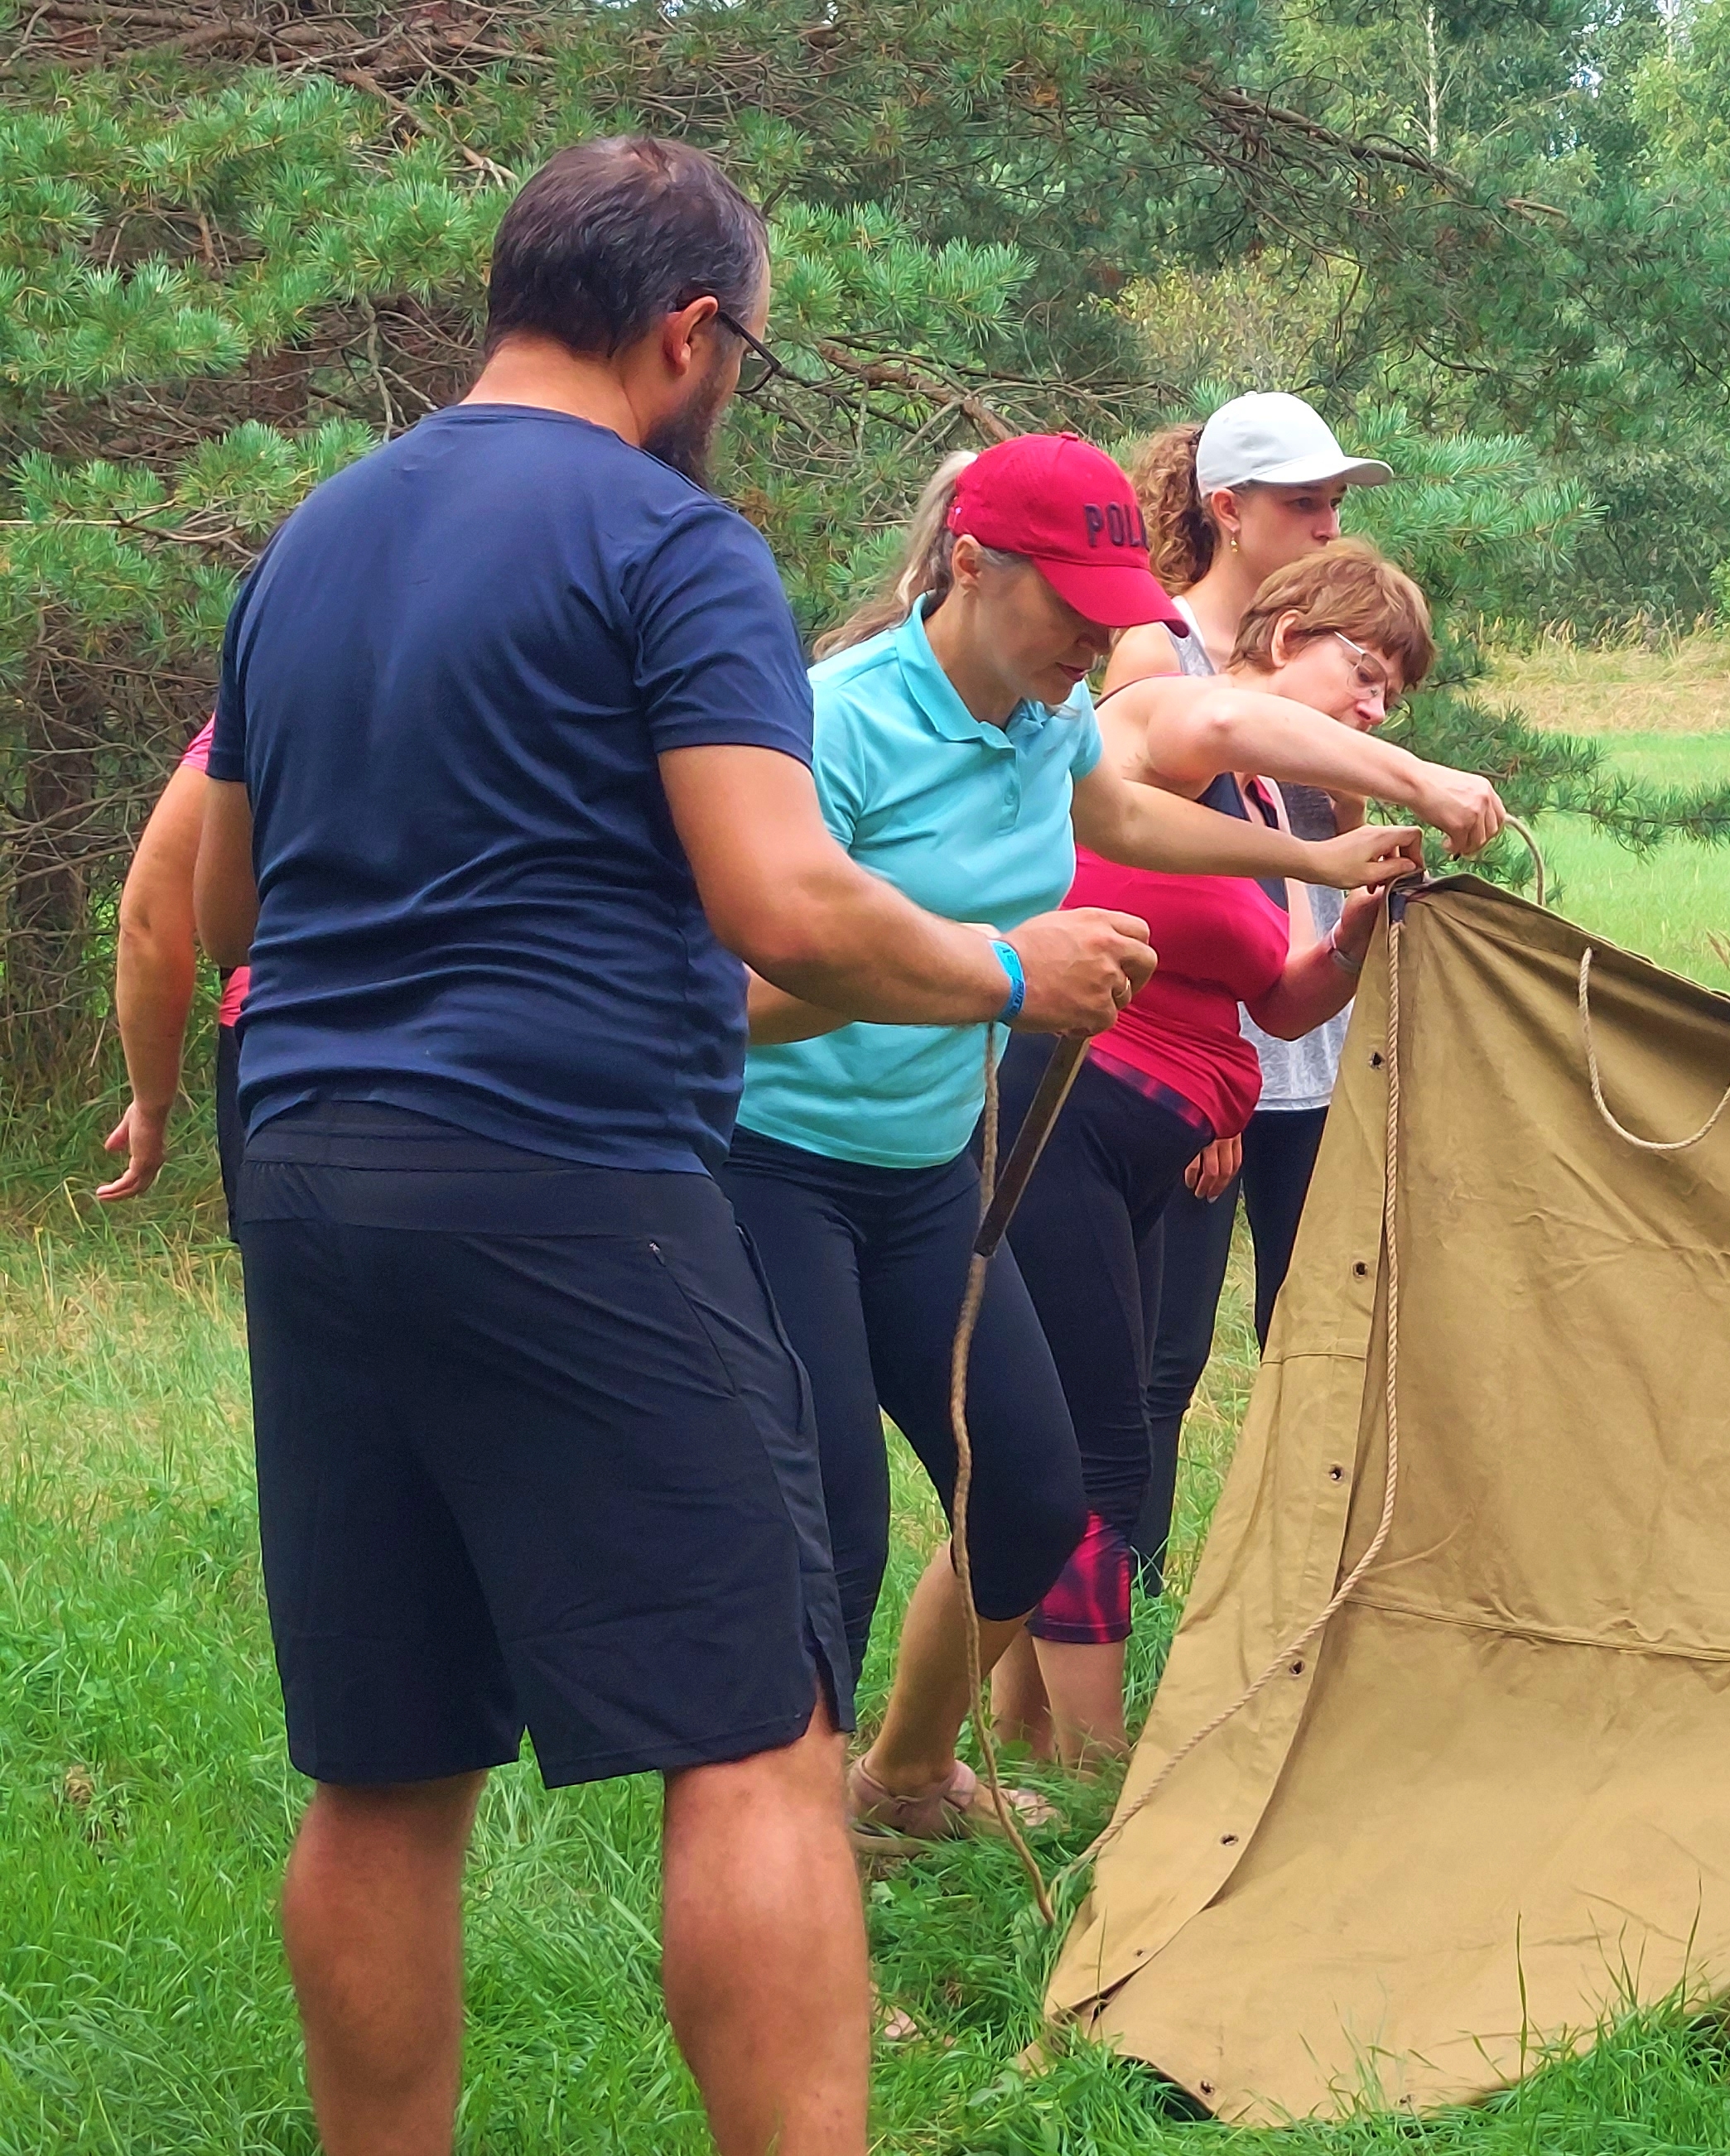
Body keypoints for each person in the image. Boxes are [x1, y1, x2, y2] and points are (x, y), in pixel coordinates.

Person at [195, 137, 1154, 2155]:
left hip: (305, 1173)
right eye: (752, 351)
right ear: (689, 331)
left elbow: (221, 907)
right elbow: (785, 906)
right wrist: (1003, 967)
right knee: (749, 1738)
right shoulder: (667, 541)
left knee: (381, 1768)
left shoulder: (316, 534)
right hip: (568, 1181)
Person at [721, 437, 1430, 1852]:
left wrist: (1318, 863)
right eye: (1073, 605)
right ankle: (800, 1901)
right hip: (775, 1166)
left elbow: (1120, 815)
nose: (1100, 638)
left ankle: (904, 1781)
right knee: (834, 1547)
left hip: (930, 1171)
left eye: (1118, 606)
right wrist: (999, 970)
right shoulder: (833, 721)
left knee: (1038, 1495)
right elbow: (728, 999)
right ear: (972, 566)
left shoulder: (1046, 724)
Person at [989, 539, 1438, 1766]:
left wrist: (1345, 935)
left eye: (1396, 692)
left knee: (1064, 1441)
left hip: (1136, 1150)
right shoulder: (1179, 718)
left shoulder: (1256, 807)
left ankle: (1011, 1746)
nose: (1375, 703)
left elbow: (1281, 1004)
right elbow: (1230, 715)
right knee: (1101, 1447)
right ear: (1286, 638)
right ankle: (1088, 1770)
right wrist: (1422, 781)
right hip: (1064, 1114)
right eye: (1365, 669)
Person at [1105, 392, 1410, 1571]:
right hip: (1204, 1066)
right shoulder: (1154, 648)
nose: (1330, 526)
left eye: (1338, 503)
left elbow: (1328, 870)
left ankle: (1290, 1592)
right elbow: (1137, 870)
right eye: (1303, 504)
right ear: (1228, 511)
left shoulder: (1336, 657)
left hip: (1310, 1056)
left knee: (1316, 1337)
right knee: (1160, 1361)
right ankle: (1112, 1607)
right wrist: (1205, 1073)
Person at [99, 719, 250, 1205]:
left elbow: (148, 922)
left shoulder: (265, 679)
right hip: (477, 1031)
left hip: (283, 1037)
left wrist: (151, 1104)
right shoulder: (491, 658)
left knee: (298, 1275)